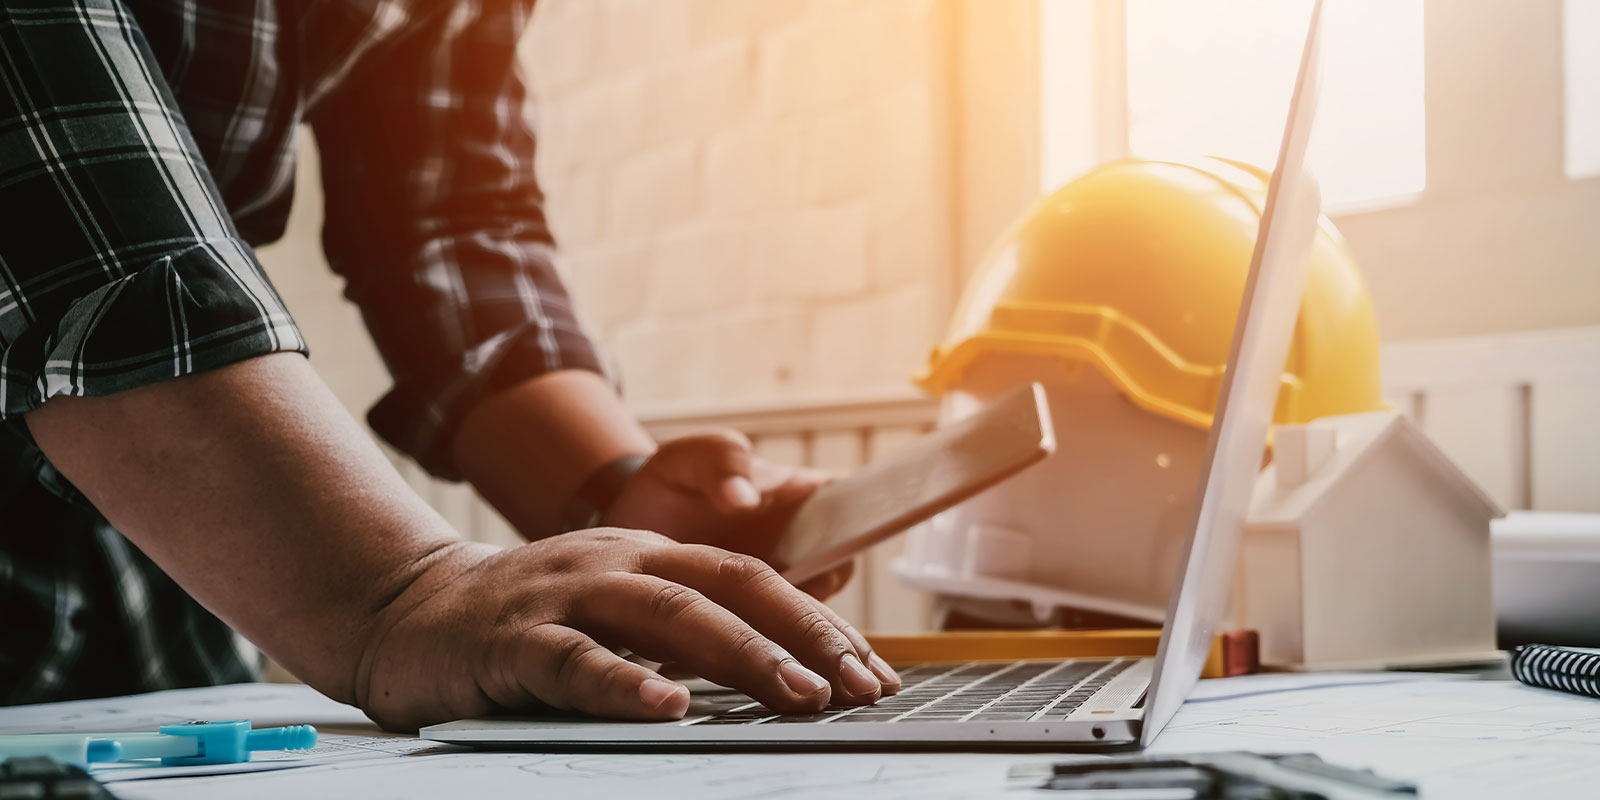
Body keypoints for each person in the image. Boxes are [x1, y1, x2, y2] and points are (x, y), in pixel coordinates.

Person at [0, 0, 898, 730]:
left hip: (166, 584)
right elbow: (54, 174)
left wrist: (613, 495)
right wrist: (400, 593)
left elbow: (451, 223)